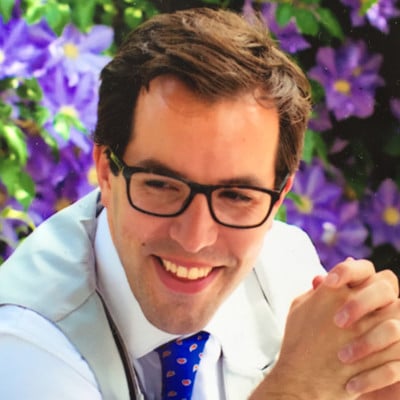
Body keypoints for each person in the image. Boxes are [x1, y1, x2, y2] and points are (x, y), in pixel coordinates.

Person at [0, 7, 399, 400]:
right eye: (162, 185)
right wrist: (297, 388)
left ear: (279, 197)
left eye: (236, 196)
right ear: (106, 173)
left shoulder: (285, 266)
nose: (195, 238)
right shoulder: (23, 337)